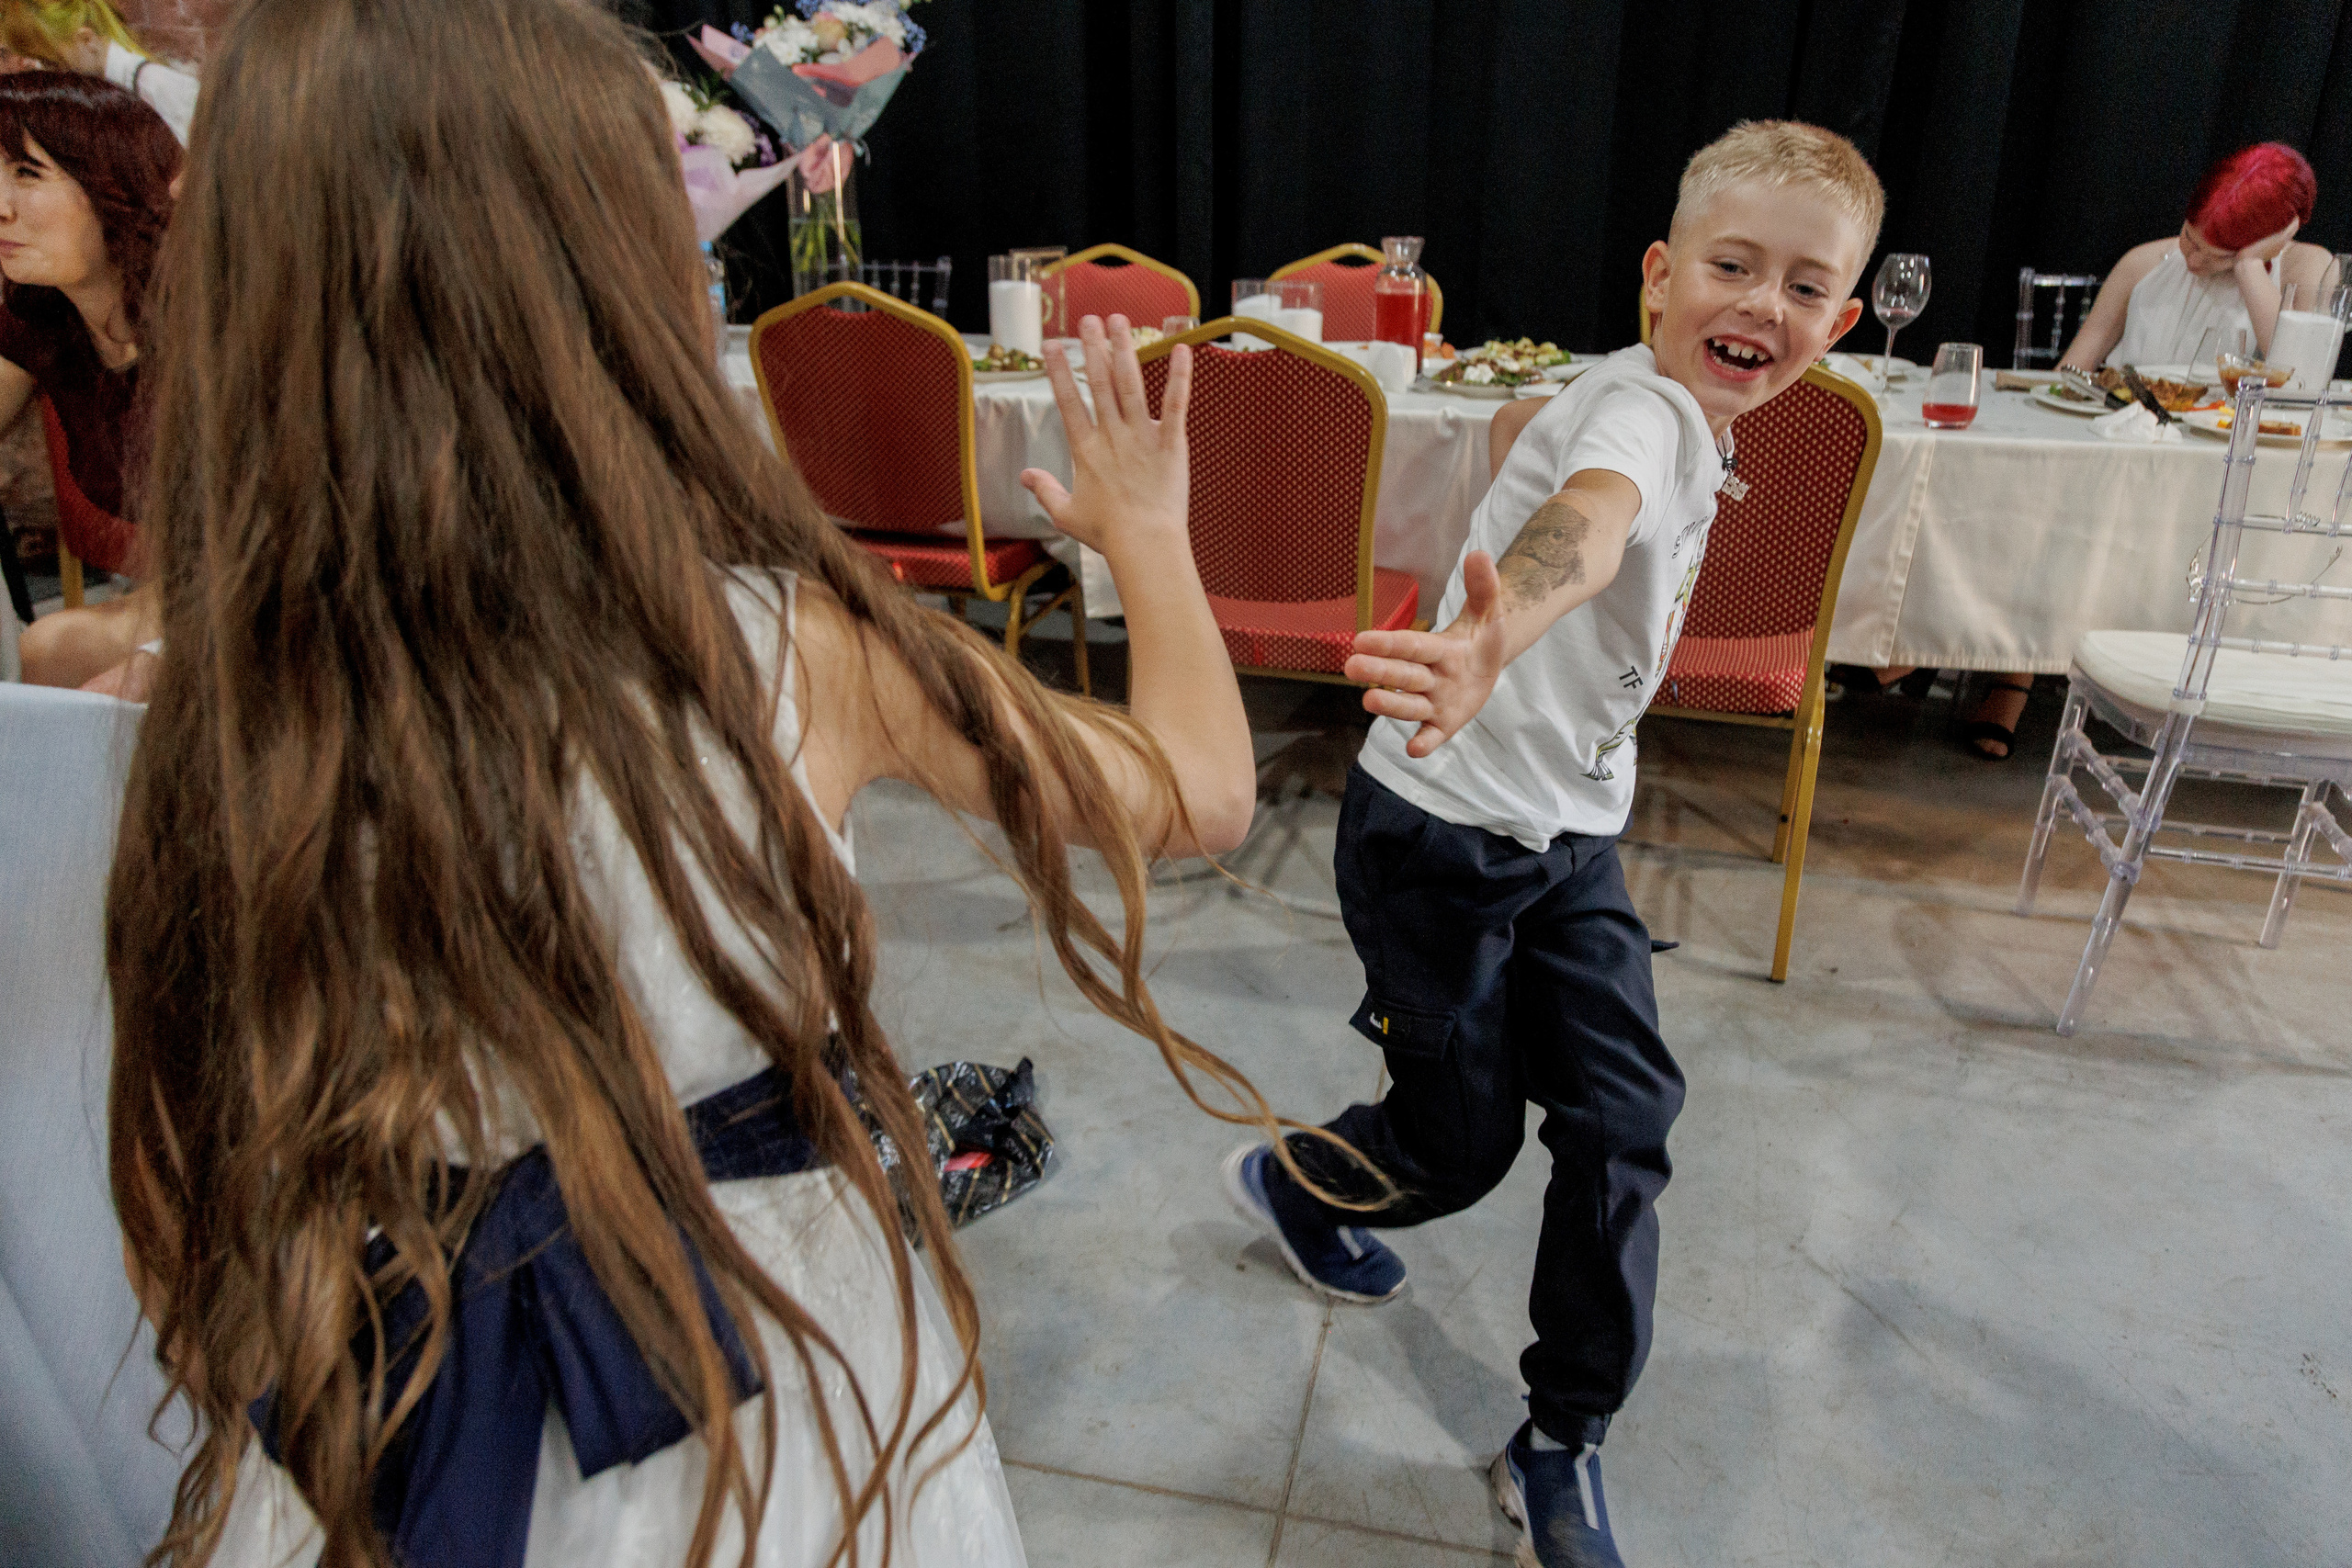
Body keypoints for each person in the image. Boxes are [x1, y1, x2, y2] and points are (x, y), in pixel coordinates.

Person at [105, 1, 1272, 1564]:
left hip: (393, 1383)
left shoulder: (237, 689)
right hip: (767, 1400)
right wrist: (1144, 533)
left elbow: (187, 1174)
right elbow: (1196, 789)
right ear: (626, 284)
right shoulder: (791, 641)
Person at [1217, 120, 1880, 1568]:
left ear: (1844, 317)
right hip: (1439, 837)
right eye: (1732, 266)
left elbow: (1573, 485)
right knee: (1458, 1149)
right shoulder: (1643, 417)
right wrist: (1491, 632)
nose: (1764, 305)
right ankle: (1297, 1177)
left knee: (1623, 1121)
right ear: (1659, 277)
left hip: (1569, 838)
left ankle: (1560, 1431)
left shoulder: (1682, 417)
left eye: (1806, 285)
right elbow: (1589, 520)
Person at [1919, 142, 2335, 759]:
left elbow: (2300, 383)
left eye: (2209, 250)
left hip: (2222, 473)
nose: (2188, 256)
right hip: (2119, 447)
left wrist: (2251, 271)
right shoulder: (2148, 261)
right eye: (2189, 236)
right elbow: (2073, 368)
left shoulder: (2305, 269)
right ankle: (2001, 667)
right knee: (2066, 500)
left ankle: (2021, 674)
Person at [0, 69, 175, 689]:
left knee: (100, 689)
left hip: (299, 582)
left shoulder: (205, 317)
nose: (1, 206)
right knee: (49, 648)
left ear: (110, 185)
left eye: (28, 174)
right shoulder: (41, 314)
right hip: (187, 586)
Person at [0, 0, 198, 142]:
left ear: (86, 40)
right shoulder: (95, 91)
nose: (42, 70)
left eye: (51, 62)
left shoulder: (158, 86)